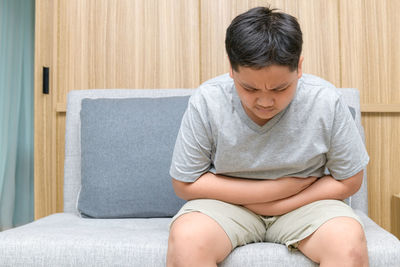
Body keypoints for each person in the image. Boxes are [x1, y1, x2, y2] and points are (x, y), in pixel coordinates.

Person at [167, 6, 369, 267]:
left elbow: (350, 179)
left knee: (347, 243)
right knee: (187, 240)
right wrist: (274, 190)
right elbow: (184, 183)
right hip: (227, 205)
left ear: (298, 67)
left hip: (307, 206)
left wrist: (279, 204)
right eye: (249, 88)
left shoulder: (325, 101)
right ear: (231, 68)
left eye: (280, 88)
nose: (264, 101)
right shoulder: (208, 100)